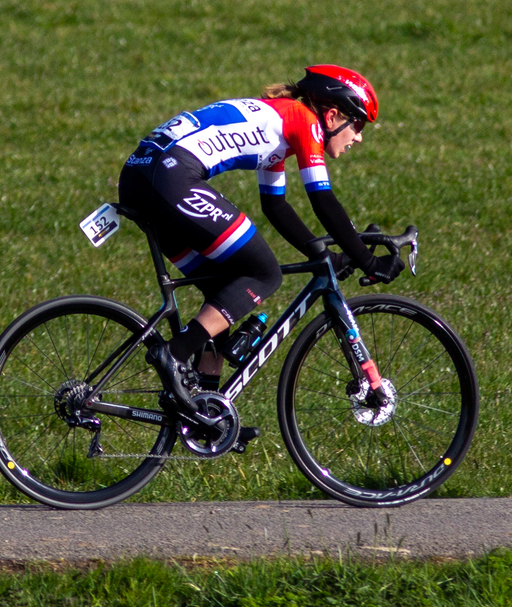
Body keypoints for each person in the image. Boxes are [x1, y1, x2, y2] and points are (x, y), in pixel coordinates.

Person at [117, 66, 399, 413]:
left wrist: (330, 255)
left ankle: (206, 408)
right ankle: (172, 354)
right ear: (332, 115)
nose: (358, 137)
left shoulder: (278, 123)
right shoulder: (302, 120)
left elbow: (276, 206)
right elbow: (322, 201)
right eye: (357, 125)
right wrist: (370, 261)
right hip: (169, 177)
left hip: (140, 178)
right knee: (265, 273)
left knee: (224, 291)